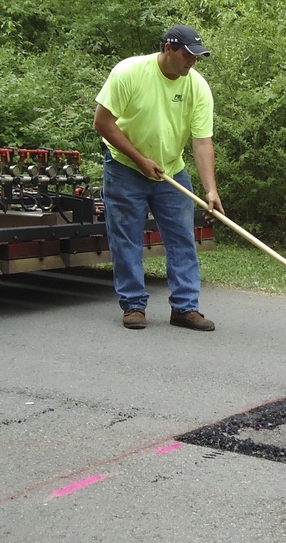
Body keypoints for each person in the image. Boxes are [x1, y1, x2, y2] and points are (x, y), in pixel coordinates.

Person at [94, 24, 222, 332]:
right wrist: (140, 159)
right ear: (168, 48)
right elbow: (102, 122)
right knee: (127, 238)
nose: (191, 62)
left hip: (170, 171)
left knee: (181, 238)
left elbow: (202, 141)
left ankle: (185, 308)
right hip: (125, 167)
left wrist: (211, 190)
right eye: (187, 55)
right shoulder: (130, 72)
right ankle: (134, 305)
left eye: (196, 57)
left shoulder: (197, 86)